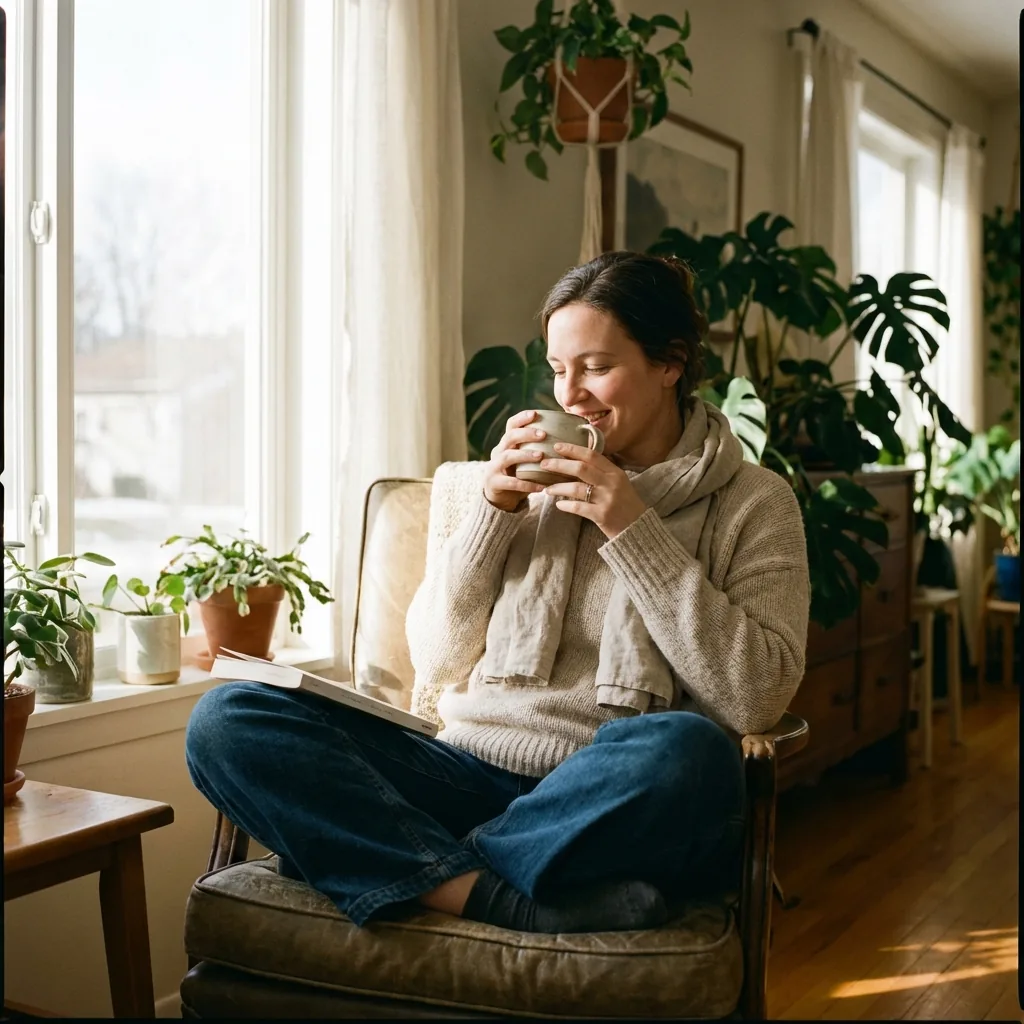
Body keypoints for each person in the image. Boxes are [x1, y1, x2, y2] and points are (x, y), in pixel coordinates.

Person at [185, 251, 810, 935]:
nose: (569, 397)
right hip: (462, 772)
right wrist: (492, 512)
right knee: (228, 718)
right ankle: (489, 896)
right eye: (558, 369)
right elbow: (438, 657)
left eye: (597, 368)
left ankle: (404, 861)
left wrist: (631, 526)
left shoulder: (755, 503)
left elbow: (756, 696)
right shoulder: (504, 487)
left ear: (670, 363)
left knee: (690, 752)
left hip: (607, 793)